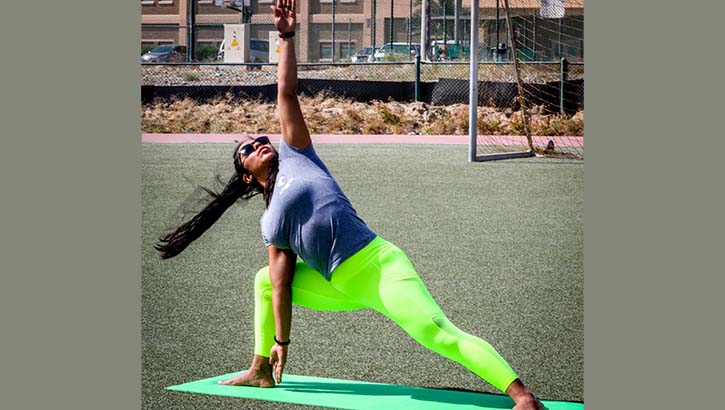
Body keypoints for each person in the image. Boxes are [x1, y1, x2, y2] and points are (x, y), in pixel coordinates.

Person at [155, 1, 544, 408]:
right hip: (336, 283)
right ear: (247, 176)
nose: (259, 143)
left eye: (259, 138)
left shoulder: (298, 152)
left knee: (438, 333)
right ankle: (260, 370)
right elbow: (283, 284)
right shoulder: (271, 223)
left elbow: (285, 92)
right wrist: (280, 342)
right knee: (263, 281)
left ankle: (522, 397)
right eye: (248, 149)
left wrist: (287, 36)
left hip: (377, 267)